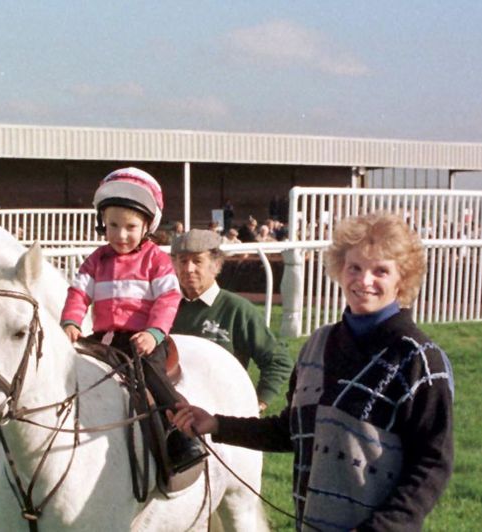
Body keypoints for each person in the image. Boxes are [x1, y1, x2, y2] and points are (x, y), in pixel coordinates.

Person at [170, 213, 454, 531]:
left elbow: (432, 464)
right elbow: (293, 431)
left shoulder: (420, 360)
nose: (364, 280)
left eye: (381, 271)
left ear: (402, 278)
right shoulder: (317, 345)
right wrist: (217, 425)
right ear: (340, 270)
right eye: (355, 268)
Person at [60, 167, 207, 475]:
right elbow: (77, 293)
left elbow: (168, 300)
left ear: (146, 227)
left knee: (152, 376)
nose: (120, 235)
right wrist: (71, 322)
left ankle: (182, 435)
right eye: (113, 225)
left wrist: (154, 333)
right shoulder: (96, 260)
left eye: (129, 226)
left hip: (144, 340)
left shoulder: (157, 260)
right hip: (104, 339)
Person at [169, 229, 293, 410]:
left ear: (216, 265)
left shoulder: (237, 309)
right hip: (170, 413)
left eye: (197, 261)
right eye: (183, 261)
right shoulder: (166, 308)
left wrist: (258, 401)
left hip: (220, 417)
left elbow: (278, 360)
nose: (189, 269)